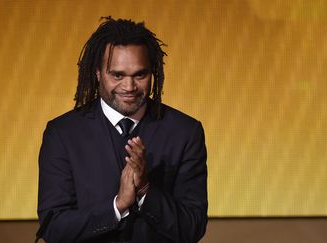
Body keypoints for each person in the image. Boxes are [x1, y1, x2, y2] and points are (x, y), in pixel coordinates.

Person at [37, 16, 207, 243]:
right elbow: (54, 228)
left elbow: (192, 228)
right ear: (98, 72)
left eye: (140, 75)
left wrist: (146, 189)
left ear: (152, 72)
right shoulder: (62, 134)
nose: (129, 87)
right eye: (117, 75)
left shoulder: (185, 132)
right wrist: (116, 207)